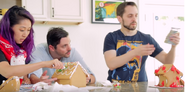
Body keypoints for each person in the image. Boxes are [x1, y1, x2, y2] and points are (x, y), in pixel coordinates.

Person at [103, 2, 180, 83]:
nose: (134, 19)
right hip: (116, 88)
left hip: (140, 88)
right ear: (119, 18)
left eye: (136, 15)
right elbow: (111, 64)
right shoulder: (111, 37)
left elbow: (167, 61)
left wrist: (173, 47)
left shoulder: (147, 39)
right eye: (130, 16)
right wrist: (135, 52)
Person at [0, 6, 64, 85]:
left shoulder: (21, 47)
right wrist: (44, 63)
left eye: (28, 30)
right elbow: (7, 72)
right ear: (8, 28)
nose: (25, 34)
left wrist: (37, 81)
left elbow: (24, 73)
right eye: (22, 30)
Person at [29, 27, 96, 85]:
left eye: (69, 43)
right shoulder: (39, 51)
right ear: (51, 48)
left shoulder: (71, 52)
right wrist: (40, 81)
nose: (70, 48)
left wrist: (88, 79)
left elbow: (92, 77)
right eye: (64, 46)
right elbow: (33, 76)